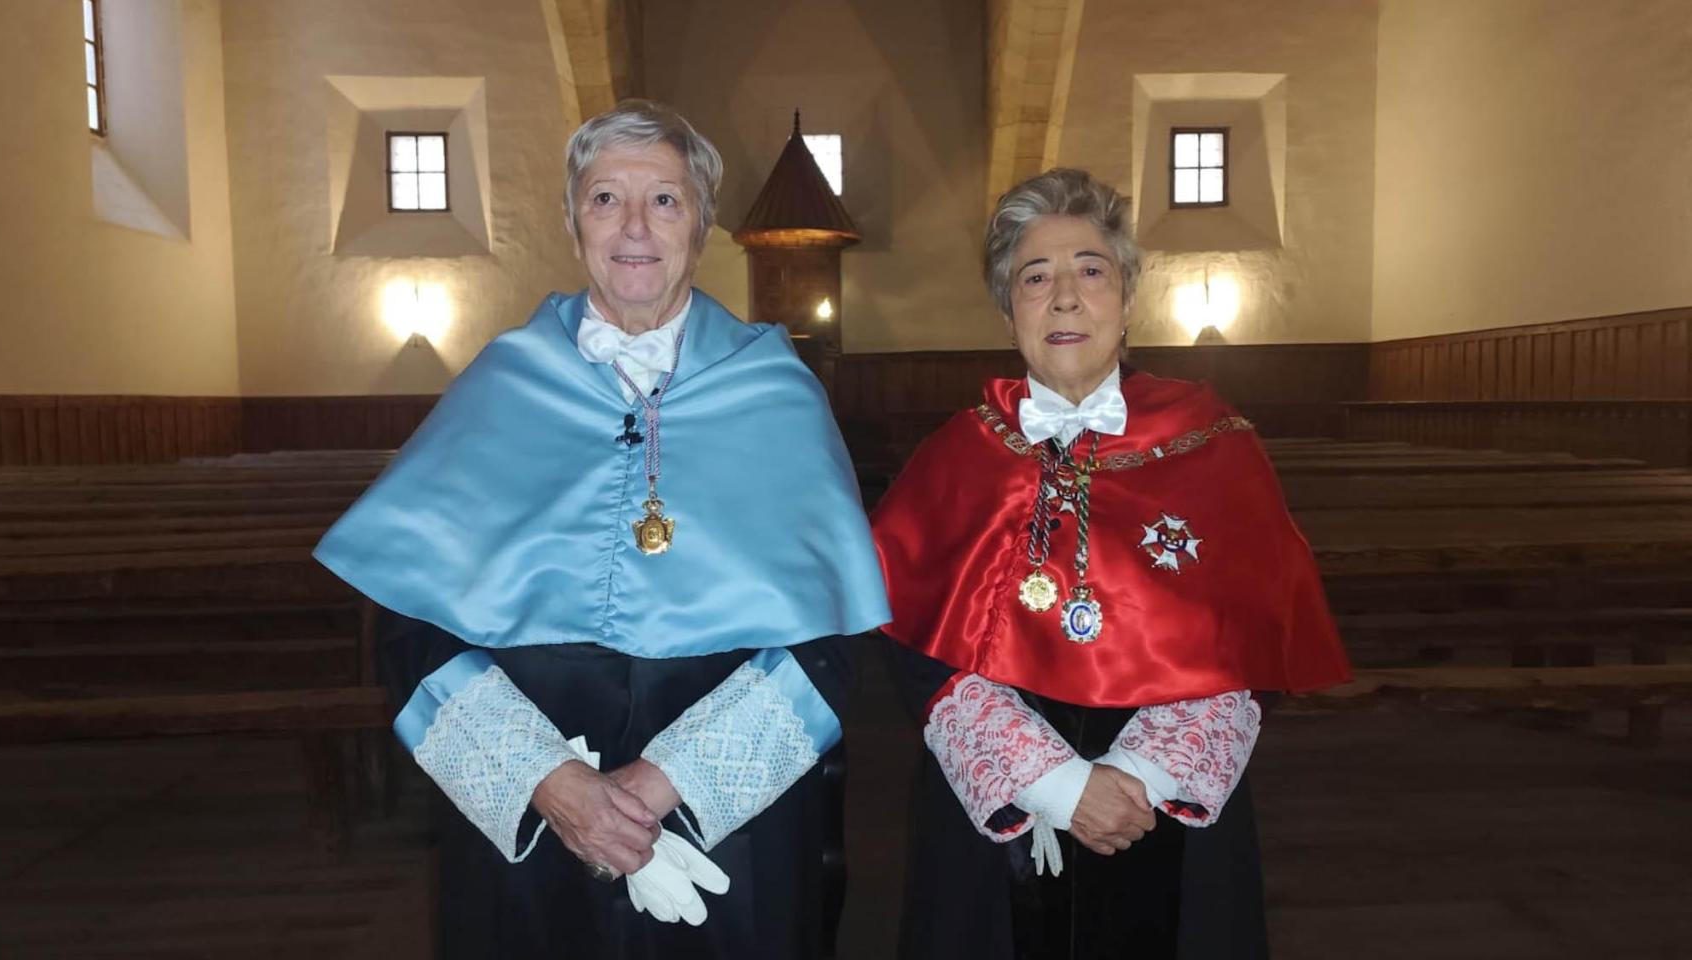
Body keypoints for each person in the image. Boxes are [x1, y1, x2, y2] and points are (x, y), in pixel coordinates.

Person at [314, 100, 889, 958]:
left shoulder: (776, 390)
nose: (635, 227)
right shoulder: (501, 385)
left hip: (728, 822)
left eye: (664, 200)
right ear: (571, 219)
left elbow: (827, 645)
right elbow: (412, 632)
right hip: (531, 815)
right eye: (605, 198)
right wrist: (551, 783)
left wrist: (667, 785)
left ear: (702, 223)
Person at [869, 168, 1352, 959]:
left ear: (1127, 297)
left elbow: (1253, 628)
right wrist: (1056, 786)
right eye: (1036, 276)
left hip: (1163, 808)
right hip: (1001, 823)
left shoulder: (1216, 443)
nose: (1065, 297)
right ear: (1007, 306)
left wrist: (1132, 782)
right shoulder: (956, 455)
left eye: (1090, 270)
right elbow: (911, 639)